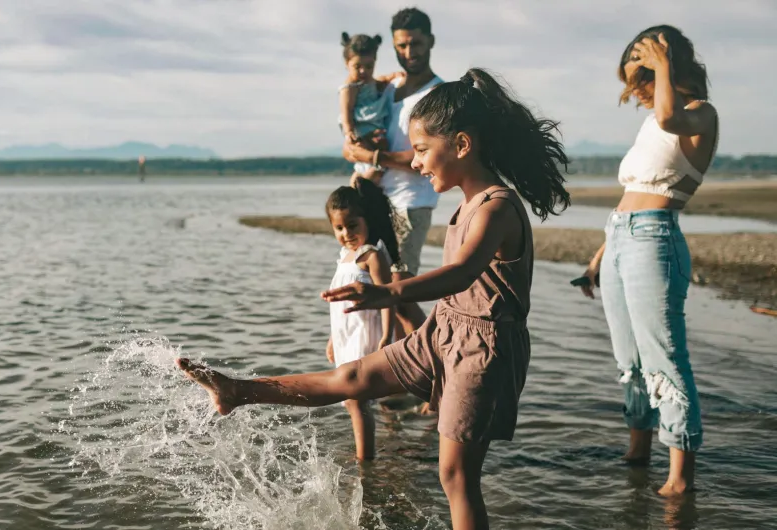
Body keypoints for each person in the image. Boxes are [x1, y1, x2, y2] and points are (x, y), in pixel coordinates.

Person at [178, 68, 571, 530]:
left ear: (462, 145)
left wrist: (386, 292)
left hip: (483, 350)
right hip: (445, 329)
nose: (417, 163)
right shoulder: (465, 203)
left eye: (422, 150)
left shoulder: (497, 206)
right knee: (353, 375)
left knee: (455, 475)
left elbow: (461, 273)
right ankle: (239, 391)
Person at [576, 25, 717, 497]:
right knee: (630, 362)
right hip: (620, 239)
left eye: (643, 75)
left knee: (665, 360)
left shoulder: (699, 113)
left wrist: (661, 67)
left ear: (667, 62)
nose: (635, 90)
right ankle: (638, 450)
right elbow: (630, 194)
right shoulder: (654, 118)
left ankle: (679, 479)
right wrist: (601, 253)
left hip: (655, 240)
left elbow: (669, 117)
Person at [344, 7, 443, 338]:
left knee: (399, 295)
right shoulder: (388, 87)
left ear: (430, 42)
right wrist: (354, 148)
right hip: (376, 199)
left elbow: (429, 153)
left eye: (415, 44)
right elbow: (356, 116)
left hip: (412, 202)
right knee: (375, 291)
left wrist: (373, 156)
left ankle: (441, 362)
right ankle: (400, 381)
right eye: (401, 46)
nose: (409, 52)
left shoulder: (437, 94)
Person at [324, 178, 403, 460]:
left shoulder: (371, 256)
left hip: (366, 335)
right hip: (346, 336)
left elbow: (388, 298)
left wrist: (386, 335)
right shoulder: (344, 256)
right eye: (339, 228)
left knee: (356, 400)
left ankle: (364, 460)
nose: (346, 234)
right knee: (350, 400)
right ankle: (384, 440)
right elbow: (338, 305)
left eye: (352, 225)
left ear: (365, 220)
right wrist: (333, 338)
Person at [337, 32, 402, 184]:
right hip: (361, 127)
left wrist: (392, 76)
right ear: (347, 63)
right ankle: (360, 185)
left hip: (375, 123)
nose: (363, 71)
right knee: (373, 161)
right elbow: (346, 113)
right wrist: (349, 133)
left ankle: (361, 180)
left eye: (369, 66)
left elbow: (379, 80)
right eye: (357, 66)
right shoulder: (349, 88)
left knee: (380, 152)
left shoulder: (370, 81)